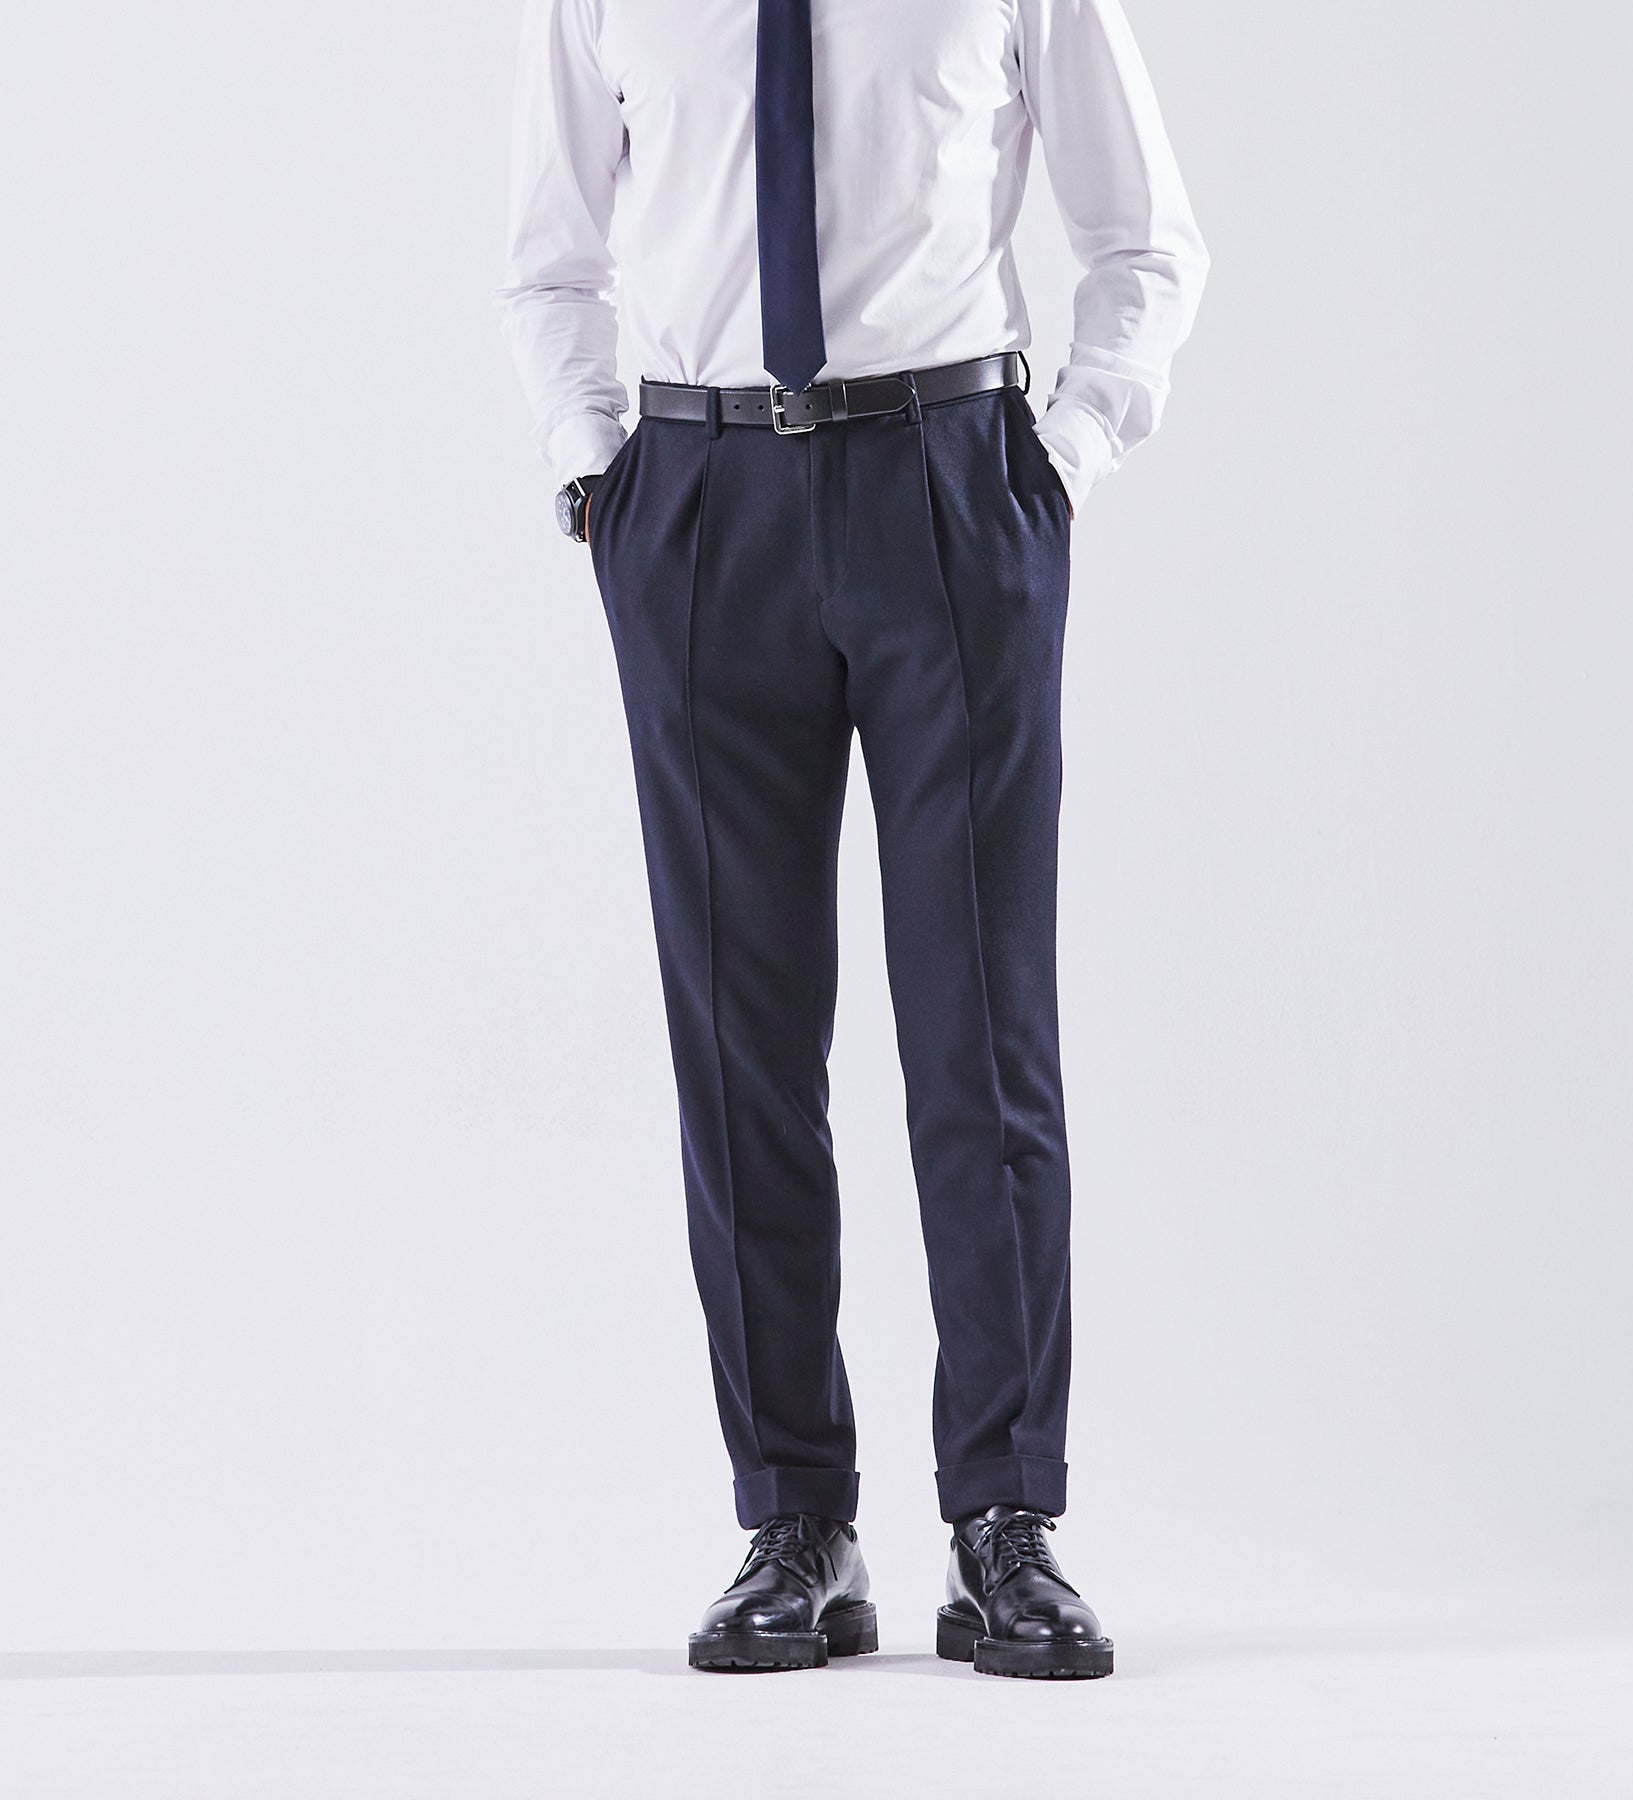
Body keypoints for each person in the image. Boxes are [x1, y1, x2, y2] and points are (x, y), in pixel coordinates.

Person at [493, 0, 1207, 1680]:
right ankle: (794, 1519)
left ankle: (1004, 1519)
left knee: (982, 1030)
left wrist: (1065, 454)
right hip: (698, 502)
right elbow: (548, 259)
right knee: (740, 1039)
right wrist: (598, 472)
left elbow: (1146, 240)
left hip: (949, 483)